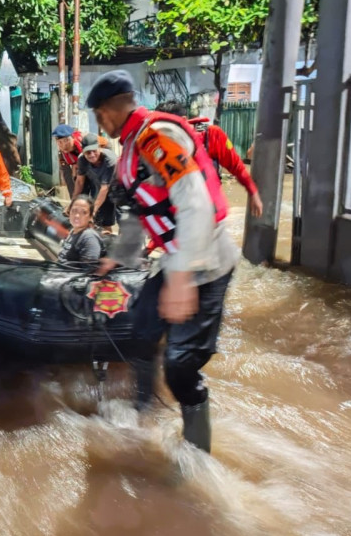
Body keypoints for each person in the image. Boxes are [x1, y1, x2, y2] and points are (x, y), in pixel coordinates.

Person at [90, 70, 239, 453]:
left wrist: (182, 279)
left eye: (99, 114)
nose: (99, 123)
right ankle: (144, 414)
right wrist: (117, 259)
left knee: (180, 366)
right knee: (140, 332)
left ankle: (197, 456)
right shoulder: (131, 149)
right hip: (175, 258)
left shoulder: (158, 138)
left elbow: (194, 202)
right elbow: (140, 215)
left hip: (205, 260)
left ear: (109, 109)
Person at [157, 101, 263, 218]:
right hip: (176, 214)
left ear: (183, 120)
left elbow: (237, 167)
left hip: (208, 213)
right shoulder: (155, 144)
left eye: (167, 129)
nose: (163, 134)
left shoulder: (212, 136)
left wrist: (253, 193)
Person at [73, 133, 119, 234]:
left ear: (100, 148)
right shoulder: (82, 159)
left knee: (125, 224)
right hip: (101, 189)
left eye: (94, 151)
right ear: (83, 152)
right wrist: (73, 203)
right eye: (88, 152)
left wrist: (92, 211)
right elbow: (80, 182)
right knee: (102, 223)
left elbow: (105, 188)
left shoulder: (110, 160)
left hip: (119, 189)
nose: (92, 155)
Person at [57, 194, 106, 264]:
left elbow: (88, 270)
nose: (77, 215)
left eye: (83, 212)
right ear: (69, 212)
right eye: (74, 211)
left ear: (90, 217)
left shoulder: (89, 237)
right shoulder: (73, 231)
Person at [52, 124, 84, 195]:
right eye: (59, 142)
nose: (63, 145)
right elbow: (67, 175)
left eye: (66, 140)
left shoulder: (83, 144)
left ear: (71, 138)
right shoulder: (62, 154)